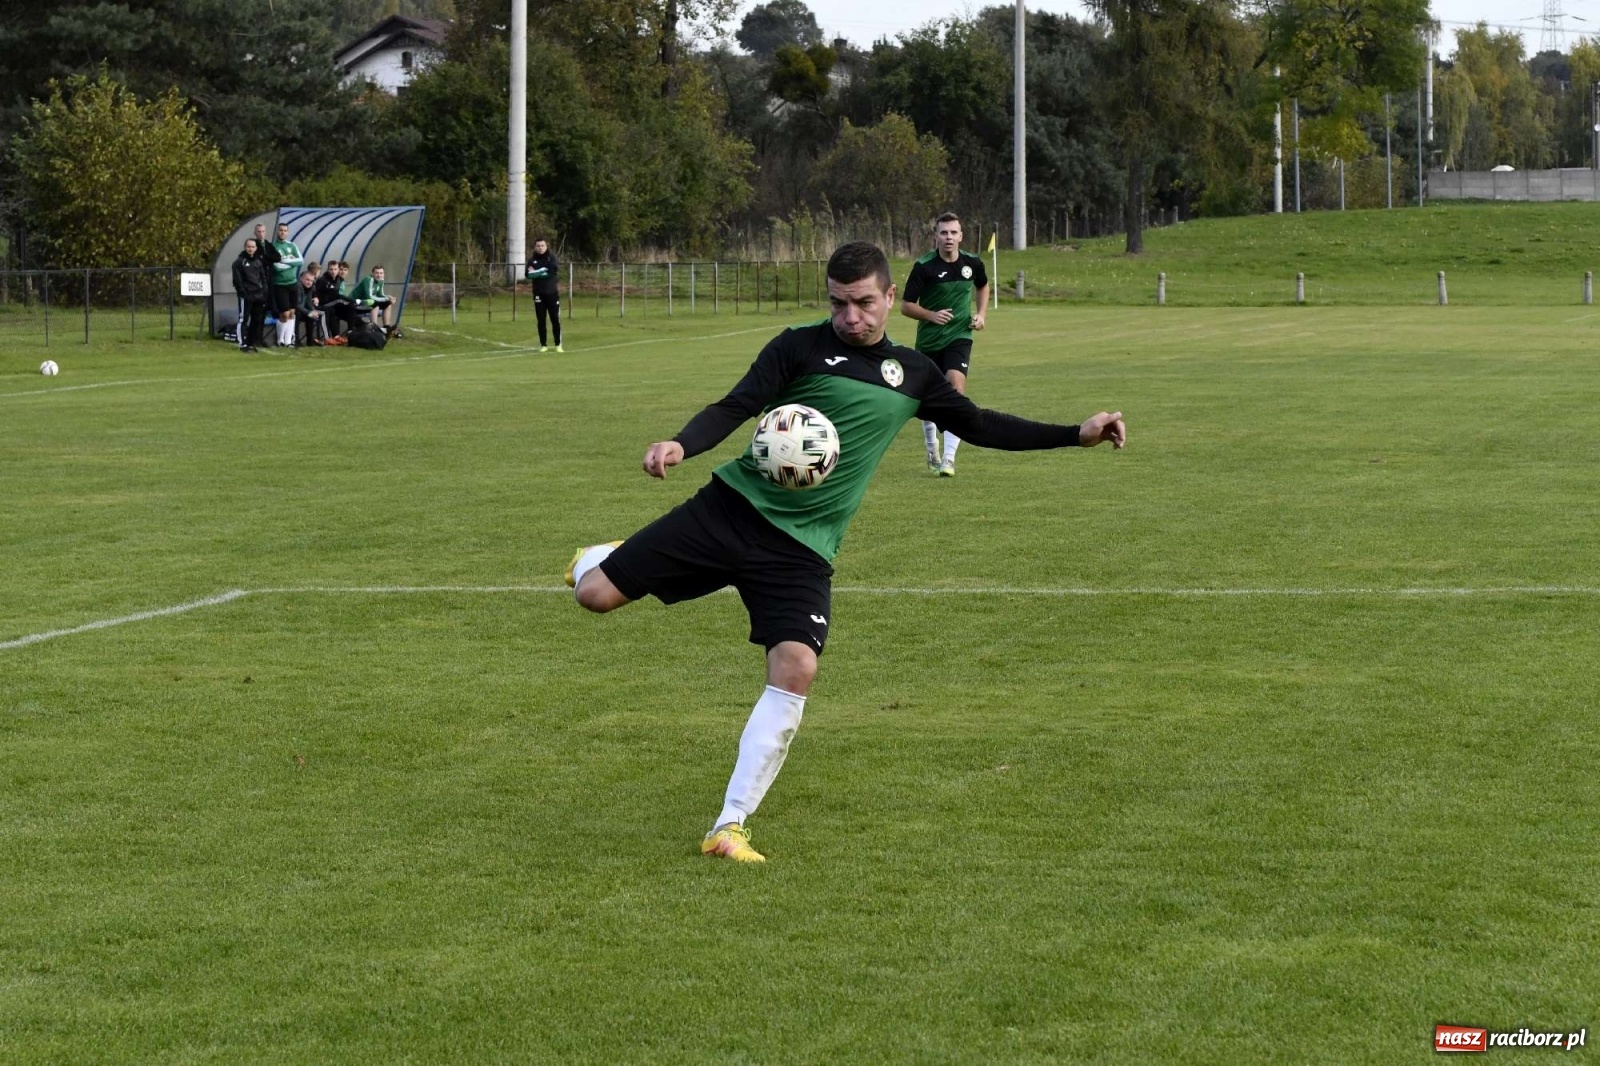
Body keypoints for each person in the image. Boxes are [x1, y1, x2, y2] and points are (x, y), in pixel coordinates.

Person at [564, 242, 1126, 864]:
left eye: (864, 303)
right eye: (839, 304)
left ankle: (729, 826)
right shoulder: (797, 347)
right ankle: (607, 555)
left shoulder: (914, 374)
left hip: (802, 551)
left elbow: (981, 425)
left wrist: (1075, 434)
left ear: (891, 299)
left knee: (797, 667)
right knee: (594, 595)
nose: (851, 317)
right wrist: (680, 444)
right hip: (728, 511)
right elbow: (737, 405)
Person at [900, 212, 990, 477]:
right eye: (943, 232)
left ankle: (948, 460)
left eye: (953, 232)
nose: (948, 237)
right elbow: (906, 306)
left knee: (956, 388)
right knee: (928, 399)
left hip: (960, 336)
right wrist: (931, 315)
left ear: (961, 236)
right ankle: (932, 448)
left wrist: (982, 314)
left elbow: (983, 286)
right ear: (935, 236)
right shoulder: (924, 266)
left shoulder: (972, 263)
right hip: (929, 340)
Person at [525, 237, 563, 352]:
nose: (540, 248)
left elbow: (552, 272)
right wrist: (541, 271)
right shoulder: (532, 260)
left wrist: (537, 273)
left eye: (542, 245)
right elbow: (528, 275)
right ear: (535, 247)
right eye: (538, 246)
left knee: (555, 319)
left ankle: (558, 344)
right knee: (541, 320)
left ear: (546, 246)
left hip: (552, 293)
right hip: (538, 294)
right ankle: (543, 345)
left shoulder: (551, 258)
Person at [231, 238, 268, 353]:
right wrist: (243, 293)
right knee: (243, 319)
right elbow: (237, 280)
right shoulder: (239, 262)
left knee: (256, 320)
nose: (250, 249)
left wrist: (264, 290)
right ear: (245, 247)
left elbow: (263, 277)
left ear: (256, 248)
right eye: (248, 246)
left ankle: (251, 343)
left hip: (258, 295)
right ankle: (242, 343)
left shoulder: (258, 261)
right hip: (247, 295)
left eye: (253, 247)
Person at [268, 223, 305, 322]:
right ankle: (281, 338)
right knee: (285, 314)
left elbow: (301, 261)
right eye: (280, 230)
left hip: (293, 283)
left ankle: (289, 338)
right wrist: (292, 261)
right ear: (276, 231)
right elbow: (276, 267)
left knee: (292, 313)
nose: (282, 232)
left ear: (287, 232)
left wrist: (283, 260)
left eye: (285, 230)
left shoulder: (292, 245)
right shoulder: (271, 246)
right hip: (280, 284)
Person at [351, 265, 396, 334]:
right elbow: (369, 296)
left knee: (388, 304)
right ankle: (374, 329)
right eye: (377, 273)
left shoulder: (381, 280)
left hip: (367, 303)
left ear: (384, 274)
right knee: (375, 305)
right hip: (355, 304)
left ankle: (386, 327)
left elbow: (380, 294)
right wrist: (386, 298)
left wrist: (389, 297)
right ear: (372, 273)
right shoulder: (368, 279)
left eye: (381, 273)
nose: (379, 275)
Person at [296, 270, 328, 346]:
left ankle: (310, 341)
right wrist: (309, 312)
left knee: (311, 317)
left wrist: (313, 311)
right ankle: (295, 340)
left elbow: (308, 303)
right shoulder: (297, 287)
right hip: (293, 310)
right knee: (297, 315)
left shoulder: (311, 287)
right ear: (301, 279)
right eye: (307, 280)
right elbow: (296, 304)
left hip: (302, 310)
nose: (309, 282)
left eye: (311, 280)